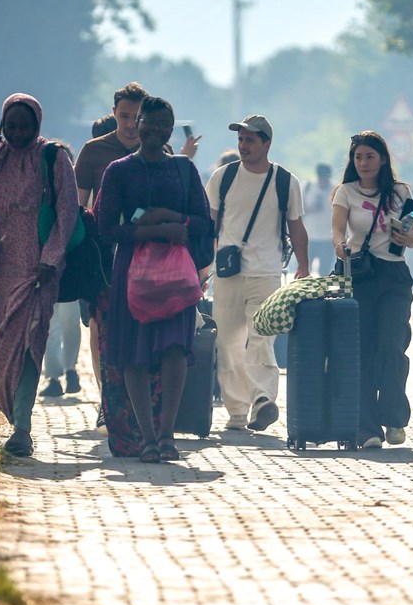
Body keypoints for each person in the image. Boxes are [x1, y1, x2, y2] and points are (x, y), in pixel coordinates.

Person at [95, 96, 213, 463]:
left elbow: (204, 222)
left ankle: (166, 436)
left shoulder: (183, 169)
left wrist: (170, 219)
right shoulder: (118, 170)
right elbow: (105, 227)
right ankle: (146, 439)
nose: (156, 129)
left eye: (164, 124)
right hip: (132, 273)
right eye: (150, 122)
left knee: (174, 349)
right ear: (138, 123)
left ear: (171, 129)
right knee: (136, 355)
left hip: (176, 274)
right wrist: (153, 230)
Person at [0, 93, 79, 457]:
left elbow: (67, 212)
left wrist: (51, 257)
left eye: (25, 126)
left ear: (37, 124)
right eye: (11, 126)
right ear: (2, 126)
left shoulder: (54, 158)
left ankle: (22, 428)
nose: (18, 133)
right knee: (2, 345)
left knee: (29, 344)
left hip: (39, 270)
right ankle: (12, 414)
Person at [205, 114, 310, 432]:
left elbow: (296, 226)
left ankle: (263, 399)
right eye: (240, 139)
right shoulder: (223, 177)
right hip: (227, 273)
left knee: (262, 338)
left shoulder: (285, 181)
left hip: (266, 273)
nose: (243, 145)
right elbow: (209, 225)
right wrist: (201, 266)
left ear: (267, 143)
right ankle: (237, 410)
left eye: (250, 139)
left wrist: (303, 266)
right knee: (228, 343)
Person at [331, 131, 413, 449]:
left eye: (369, 156)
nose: (363, 163)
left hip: (394, 277)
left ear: (382, 159)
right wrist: (340, 246)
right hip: (361, 276)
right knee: (363, 350)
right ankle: (366, 428)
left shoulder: (401, 192)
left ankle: (394, 417)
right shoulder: (345, 192)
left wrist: (408, 239)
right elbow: (337, 229)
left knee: (392, 345)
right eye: (358, 157)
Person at [40, 301, 81, 396]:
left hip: (69, 291)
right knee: (50, 328)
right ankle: (53, 377)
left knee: (70, 322)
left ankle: (70, 370)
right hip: (48, 291)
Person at [302, 163, 335, 275]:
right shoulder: (308, 187)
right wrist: (310, 209)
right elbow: (298, 210)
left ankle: (322, 287)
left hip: (328, 238)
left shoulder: (335, 189)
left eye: (325, 178)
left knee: (325, 272)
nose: (323, 181)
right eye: (321, 177)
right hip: (308, 237)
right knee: (304, 270)